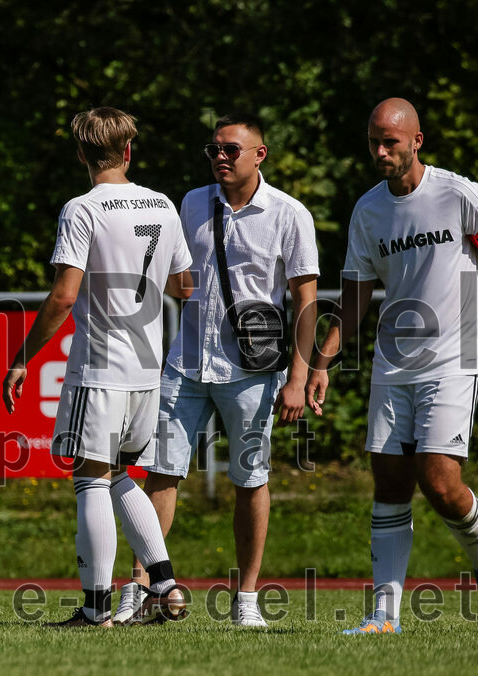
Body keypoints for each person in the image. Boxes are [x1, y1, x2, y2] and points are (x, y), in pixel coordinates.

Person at [2, 107, 194, 627]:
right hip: (147, 368)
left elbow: (64, 296)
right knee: (120, 475)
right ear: (128, 151)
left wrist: (22, 359)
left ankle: (95, 609)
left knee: (89, 480)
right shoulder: (163, 205)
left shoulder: (82, 208)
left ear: (83, 154)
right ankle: (166, 581)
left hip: (101, 366)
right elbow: (184, 285)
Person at [133, 112, 319, 627]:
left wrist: (299, 379)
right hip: (186, 363)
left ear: (259, 154)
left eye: (230, 149)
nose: (219, 156)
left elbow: (306, 302)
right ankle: (143, 589)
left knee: (250, 480)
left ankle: (247, 601)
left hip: (253, 374)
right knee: (160, 474)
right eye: (213, 148)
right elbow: (178, 278)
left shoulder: (289, 214)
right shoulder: (191, 202)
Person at [308, 98, 478, 635]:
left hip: (454, 360)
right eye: (374, 142)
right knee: (389, 483)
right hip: (392, 366)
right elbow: (356, 296)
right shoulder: (368, 210)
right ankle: (384, 617)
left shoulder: (458, 195)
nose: (381, 152)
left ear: (417, 140)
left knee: (441, 481)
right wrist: (322, 363)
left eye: (392, 142)